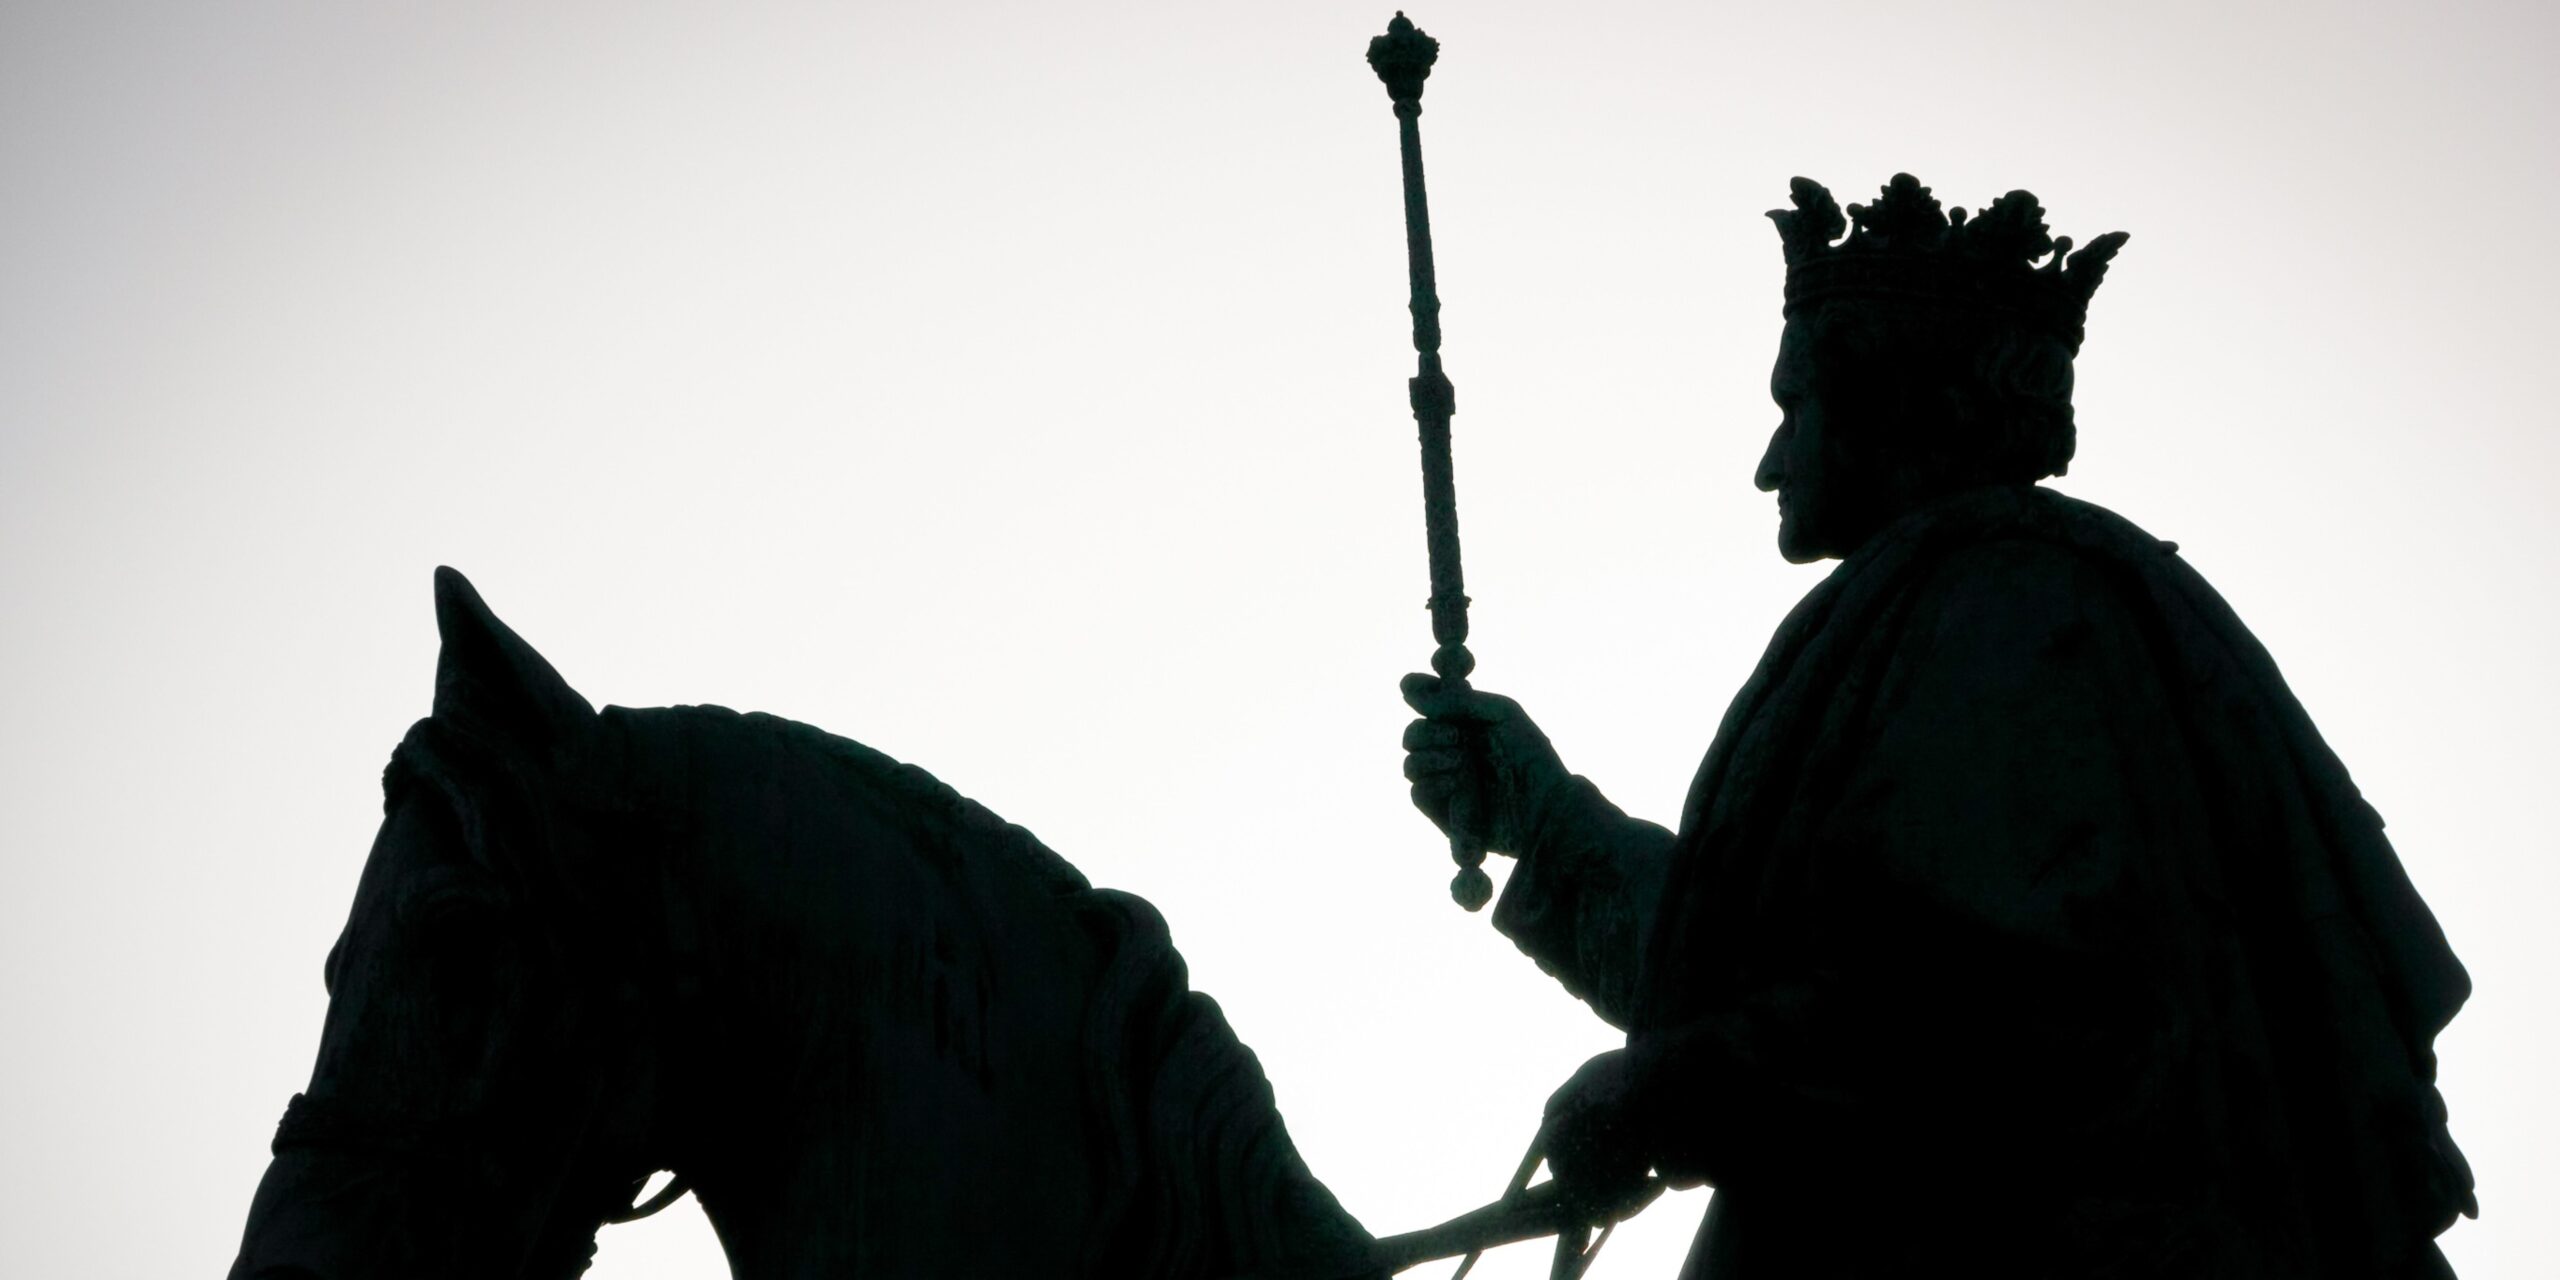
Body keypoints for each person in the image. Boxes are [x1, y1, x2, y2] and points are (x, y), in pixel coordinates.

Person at [1400, 174, 2473, 1279]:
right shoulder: (1966, 603)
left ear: (1892, 406)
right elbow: (1797, 978)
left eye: (1795, 408)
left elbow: (1992, 1008)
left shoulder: (2010, 606)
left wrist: (1668, 1094)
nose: (1770, 463)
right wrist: (1543, 818)